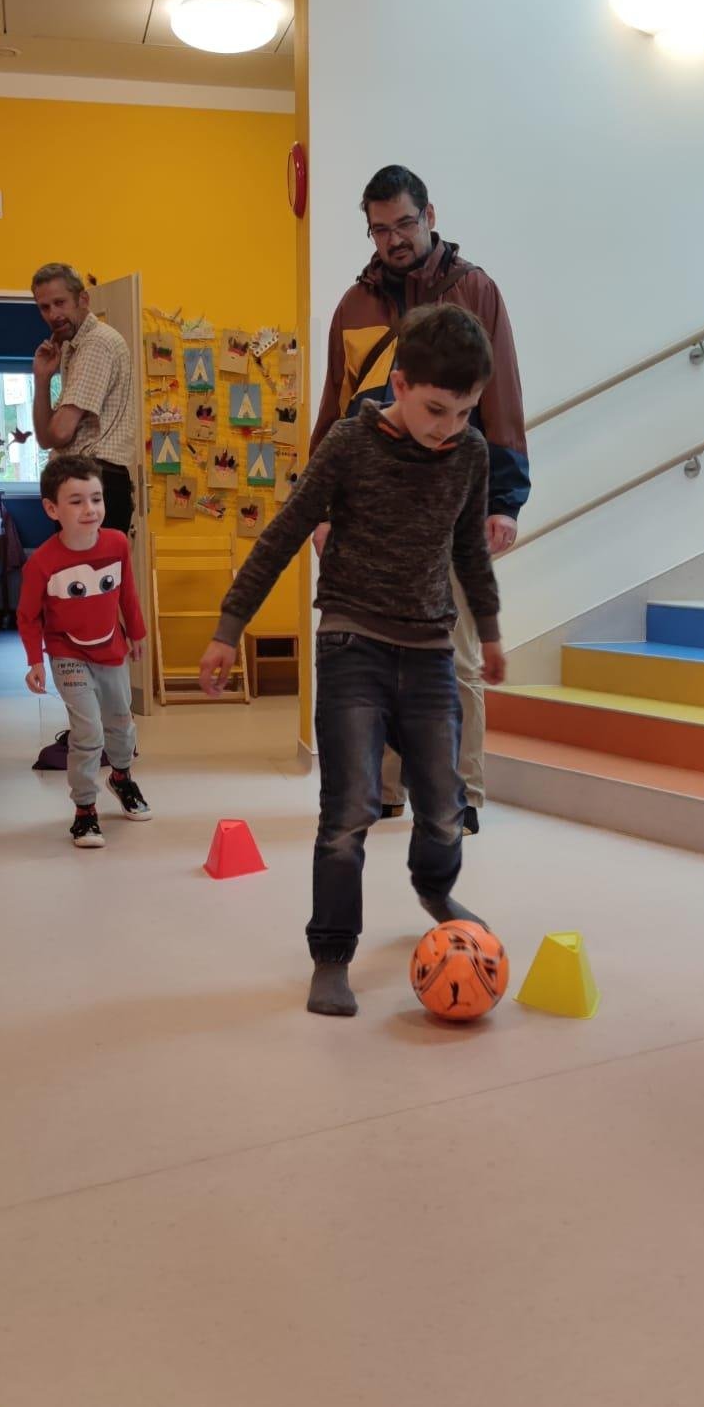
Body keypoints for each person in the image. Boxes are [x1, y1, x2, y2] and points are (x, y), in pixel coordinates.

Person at [199, 304, 506, 1020]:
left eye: (464, 412)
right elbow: (284, 533)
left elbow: (468, 550)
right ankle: (332, 954)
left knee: (444, 803)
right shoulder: (349, 443)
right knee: (348, 809)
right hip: (351, 644)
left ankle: (434, 887)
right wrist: (228, 628)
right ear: (399, 385)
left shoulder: (469, 454)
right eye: (435, 409)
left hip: (430, 649)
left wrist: (489, 631)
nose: (448, 427)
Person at [311, 164, 529, 834]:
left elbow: (501, 396)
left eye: (404, 223)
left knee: (453, 658)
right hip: (368, 510)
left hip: (451, 507)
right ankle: (382, 790)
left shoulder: (474, 291)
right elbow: (333, 408)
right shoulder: (354, 306)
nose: (394, 239)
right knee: (374, 655)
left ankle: (460, 793)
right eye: (380, 229)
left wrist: (504, 500)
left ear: (429, 216)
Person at [18, 455, 150, 847]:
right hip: (67, 654)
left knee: (121, 723)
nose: (90, 509)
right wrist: (34, 660)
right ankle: (85, 809)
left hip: (111, 650)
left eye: (96, 498)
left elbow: (127, 593)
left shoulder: (116, 543)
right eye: (76, 501)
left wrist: (137, 633)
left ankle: (121, 777)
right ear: (52, 509)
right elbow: (28, 616)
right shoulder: (42, 563)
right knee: (88, 730)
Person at [31, 263, 135, 535]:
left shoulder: (96, 343)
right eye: (44, 307)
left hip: (97, 481)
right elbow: (45, 439)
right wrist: (42, 378)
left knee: (90, 563)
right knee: (77, 564)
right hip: (84, 479)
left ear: (83, 300)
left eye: (60, 303)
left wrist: (55, 434)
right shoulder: (71, 347)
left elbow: (60, 433)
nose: (53, 315)